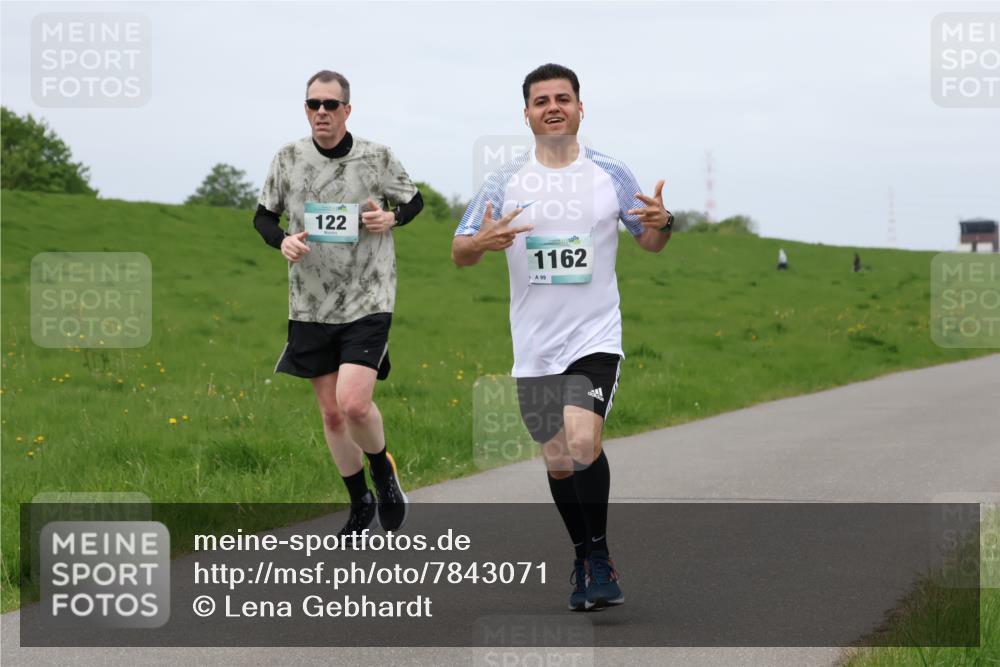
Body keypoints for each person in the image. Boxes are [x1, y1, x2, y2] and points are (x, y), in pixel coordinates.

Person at [452, 63, 673, 611]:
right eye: (542, 100)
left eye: (564, 98)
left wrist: (664, 223)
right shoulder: (505, 181)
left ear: (580, 108)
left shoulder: (611, 174)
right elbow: (459, 252)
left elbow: (648, 240)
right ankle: (581, 554)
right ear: (526, 113)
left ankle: (600, 557)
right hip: (534, 344)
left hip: (594, 335)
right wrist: (481, 241)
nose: (553, 106)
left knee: (581, 442)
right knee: (556, 459)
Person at [253, 70, 424, 540]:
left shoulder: (377, 157)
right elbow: (263, 217)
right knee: (331, 414)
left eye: (330, 105)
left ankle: (383, 475)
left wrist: (393, 216)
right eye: (313, 105)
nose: (321, 113)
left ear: (348, 109)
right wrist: (282, 242)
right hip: (310, 303)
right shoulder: (287, 159)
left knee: (353, 403)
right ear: (305, 109)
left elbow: (414, 201)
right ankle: (359, 502)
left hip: (369, 294)